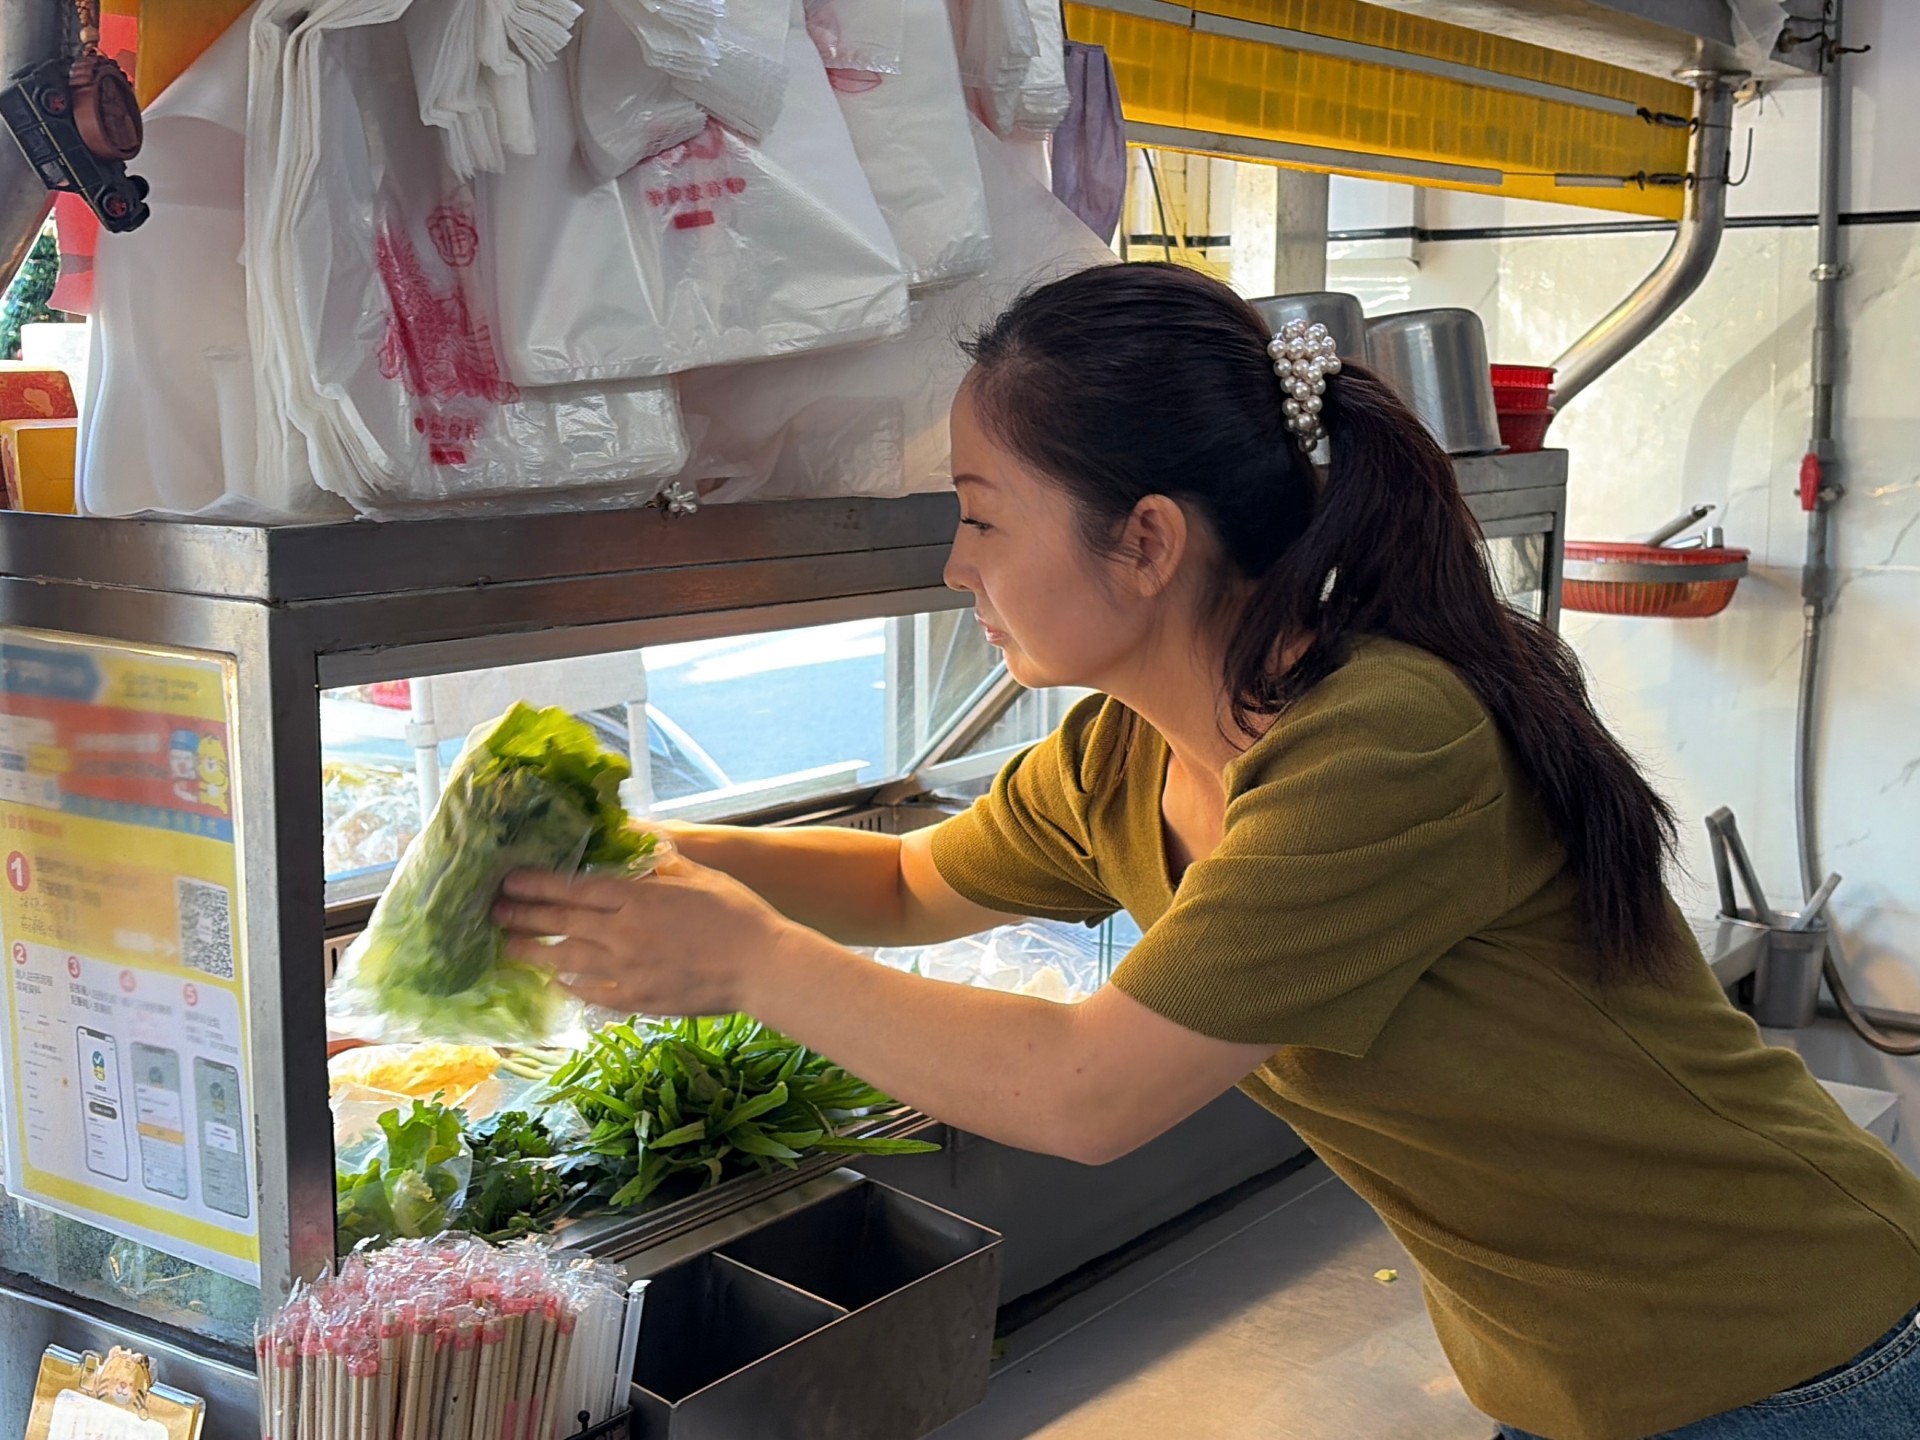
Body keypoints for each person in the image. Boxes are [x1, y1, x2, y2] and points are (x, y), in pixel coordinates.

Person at [495, 263, 1920, 1440]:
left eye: (980, 515)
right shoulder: (1126, 754)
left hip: (1788, 1352)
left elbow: (1087, 1093)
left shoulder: (1383, 742)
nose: (955, 566)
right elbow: (908, 881)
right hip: (1586, 1379)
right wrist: (621, 848)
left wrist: (743, 962)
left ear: (1146, 542)